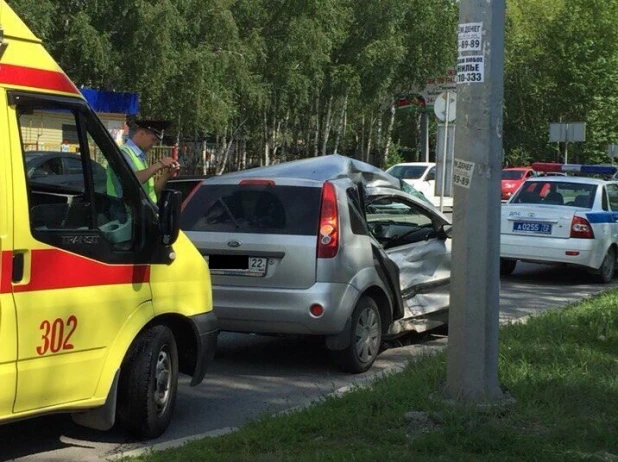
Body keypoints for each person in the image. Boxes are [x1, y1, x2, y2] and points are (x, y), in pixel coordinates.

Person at [112, 120, 180, 203]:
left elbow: (152, 192)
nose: (153, 144)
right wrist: (160, 164)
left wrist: (167, 174)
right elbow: (132, 180)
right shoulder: (123, 153)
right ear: (141, 133)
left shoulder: (140, 158)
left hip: (144, 211)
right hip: (124, 212)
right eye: (153, 139)